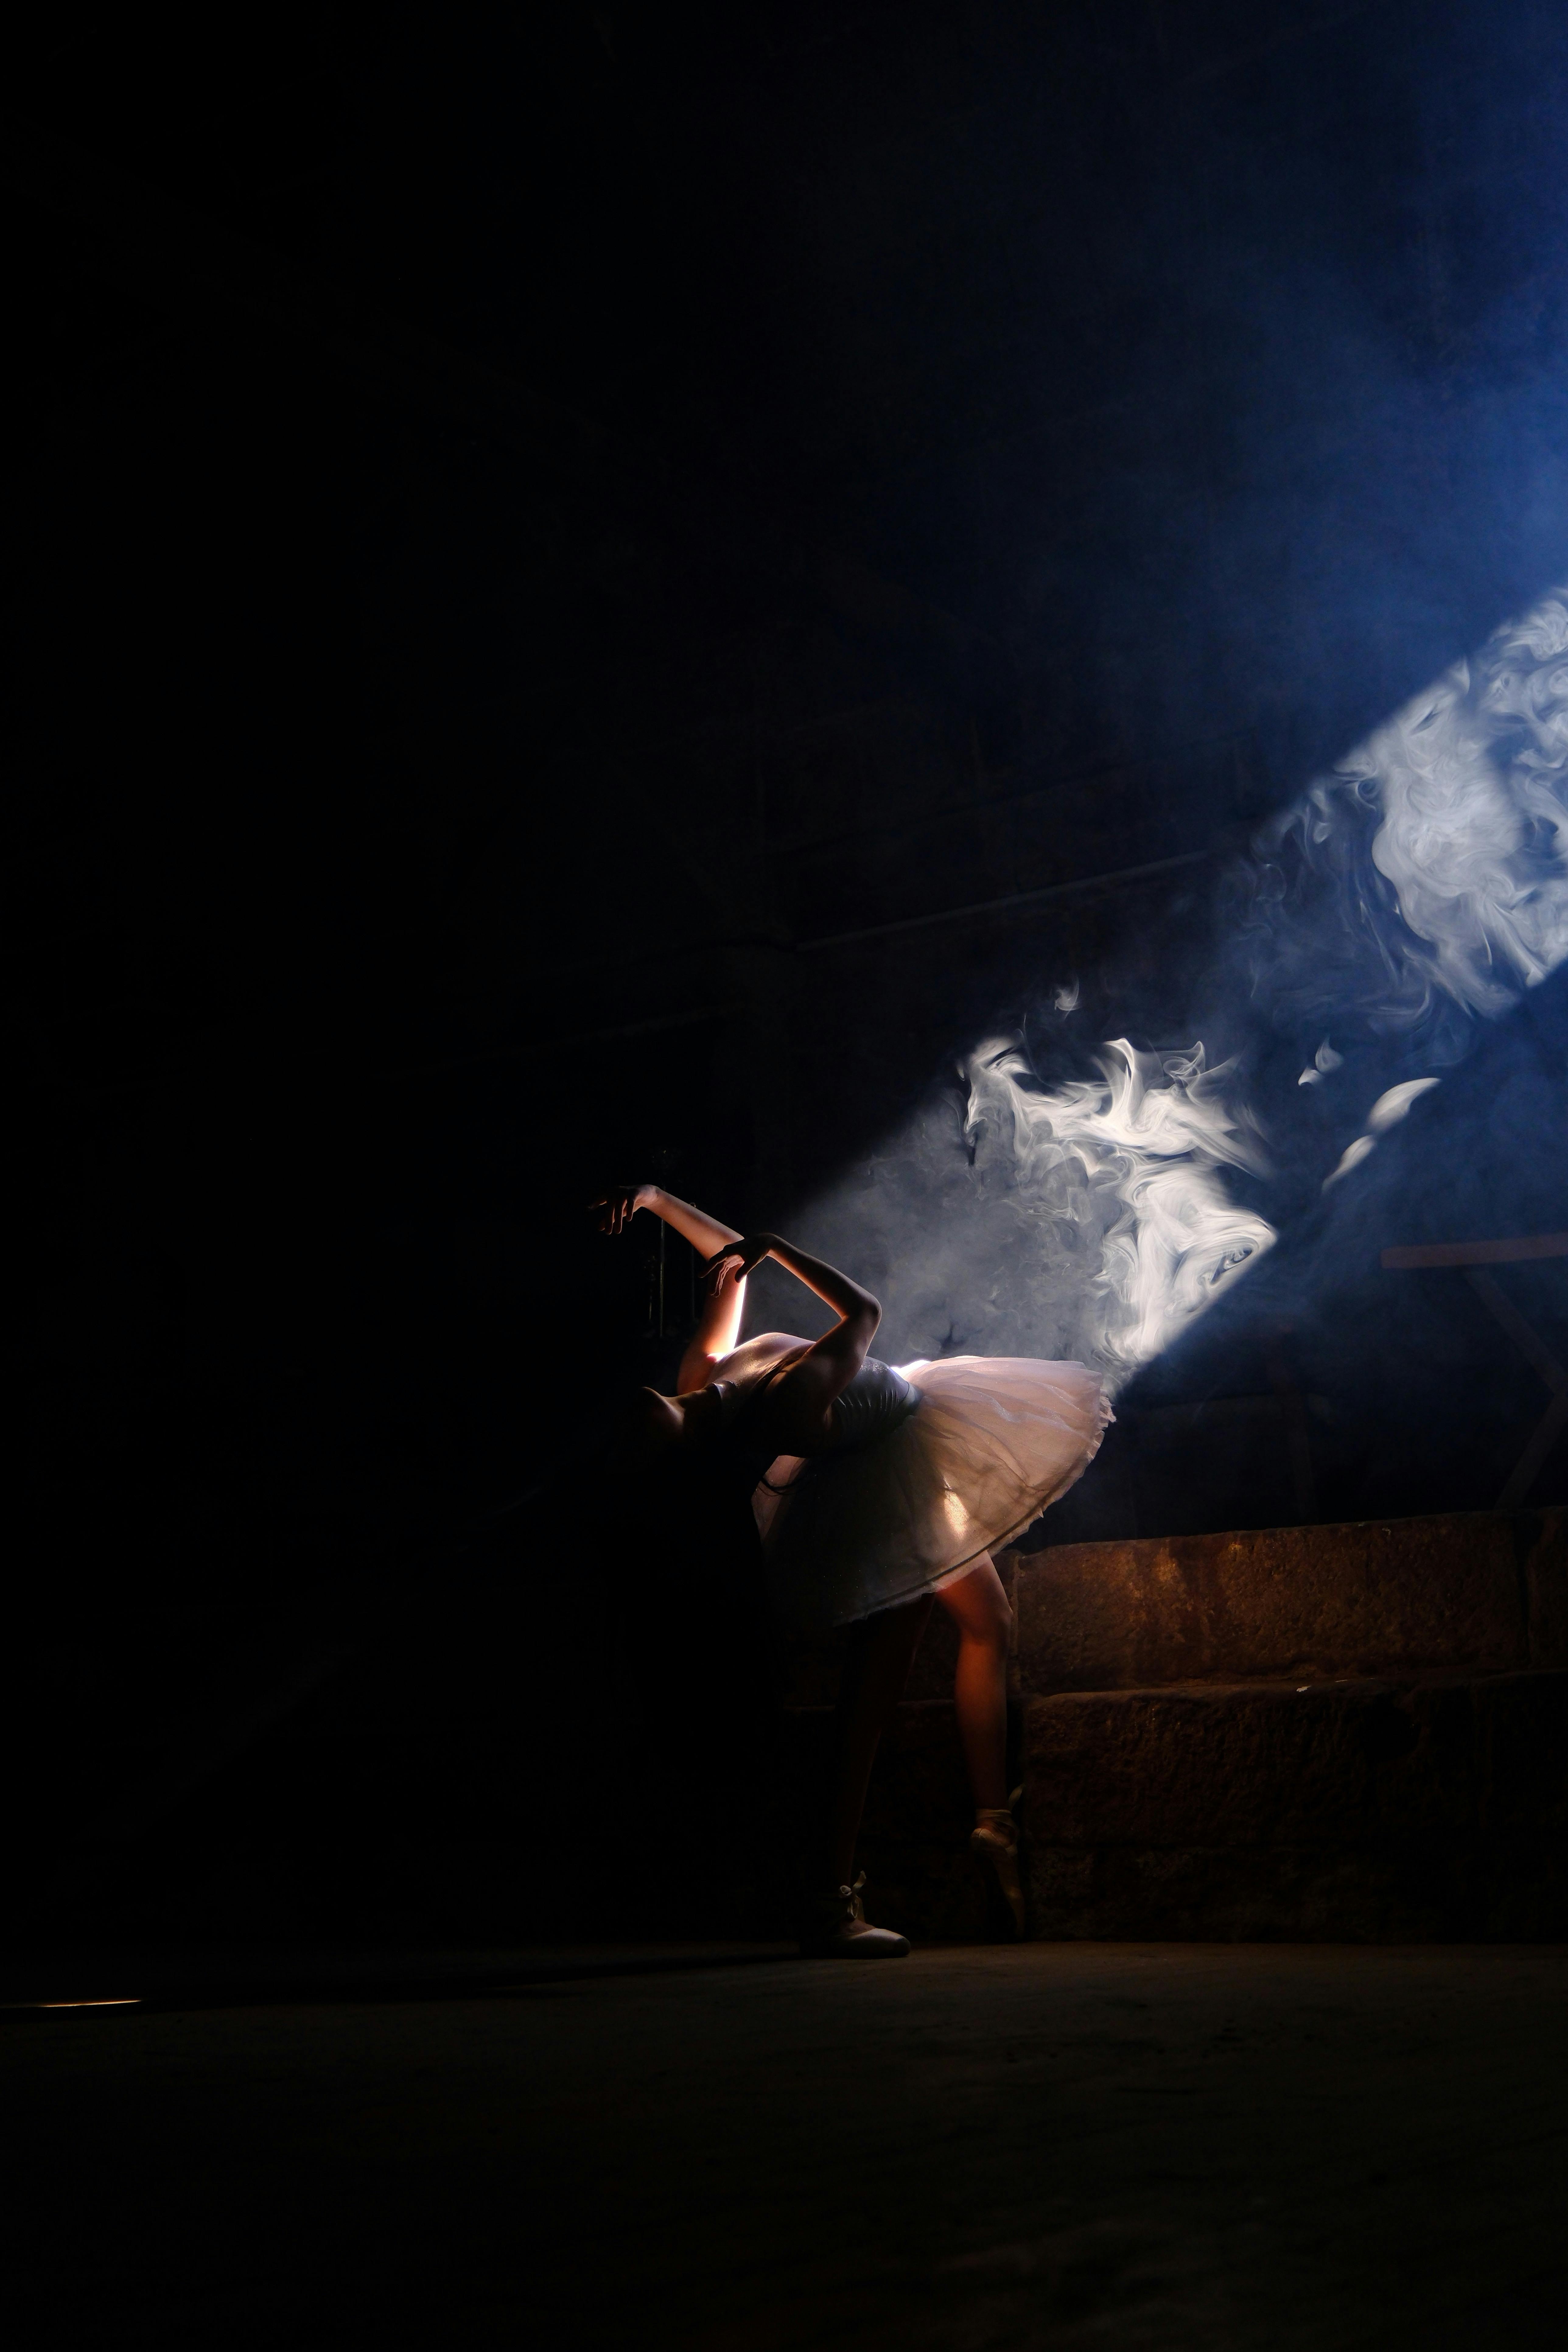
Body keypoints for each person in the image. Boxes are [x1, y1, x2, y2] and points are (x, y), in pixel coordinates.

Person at [593, 1180, 1110, 1956]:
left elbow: (728, 1260)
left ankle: (991, 1824)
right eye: (643, 1420)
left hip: (902, 1447)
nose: (641, 1401)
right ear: (669, 1436)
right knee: (869, 1704)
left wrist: (654, 1200)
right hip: (887, 1486)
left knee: (988, 1621)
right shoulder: (781, 1403)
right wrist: (780, 1246)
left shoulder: (703, 1381)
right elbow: (863, 1313)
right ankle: (831, 1900)